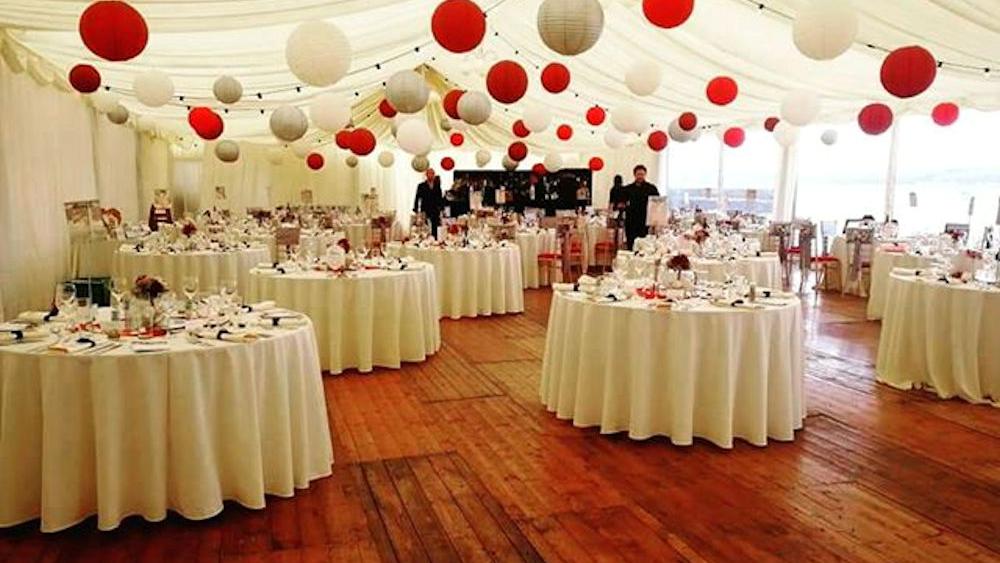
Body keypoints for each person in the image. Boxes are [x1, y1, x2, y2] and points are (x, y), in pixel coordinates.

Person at [623, 165, 659, 249]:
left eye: (642, 174)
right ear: (634, 175)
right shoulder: (627, 189)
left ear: (645, 174)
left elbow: (657, 203)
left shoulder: (651, 188)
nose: (640, 176)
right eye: (638, 174)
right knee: (631, 242)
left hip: (644, 220)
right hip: (631, 220)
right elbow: (622, 203)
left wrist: (655, 220)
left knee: (644, 243)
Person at [413, 169, 443, 238]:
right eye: (429, 174)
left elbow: (440, 198)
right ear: (426, 175)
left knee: (435, 227)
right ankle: (426, 240)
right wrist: (416, 209)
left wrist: (441, 208)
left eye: (432, 174)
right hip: (425, 208)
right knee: (425, 227)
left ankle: (435, 239)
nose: (431, 175)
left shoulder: (437, 186)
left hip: (435, 209)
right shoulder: (421, 186)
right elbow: (417, 198)